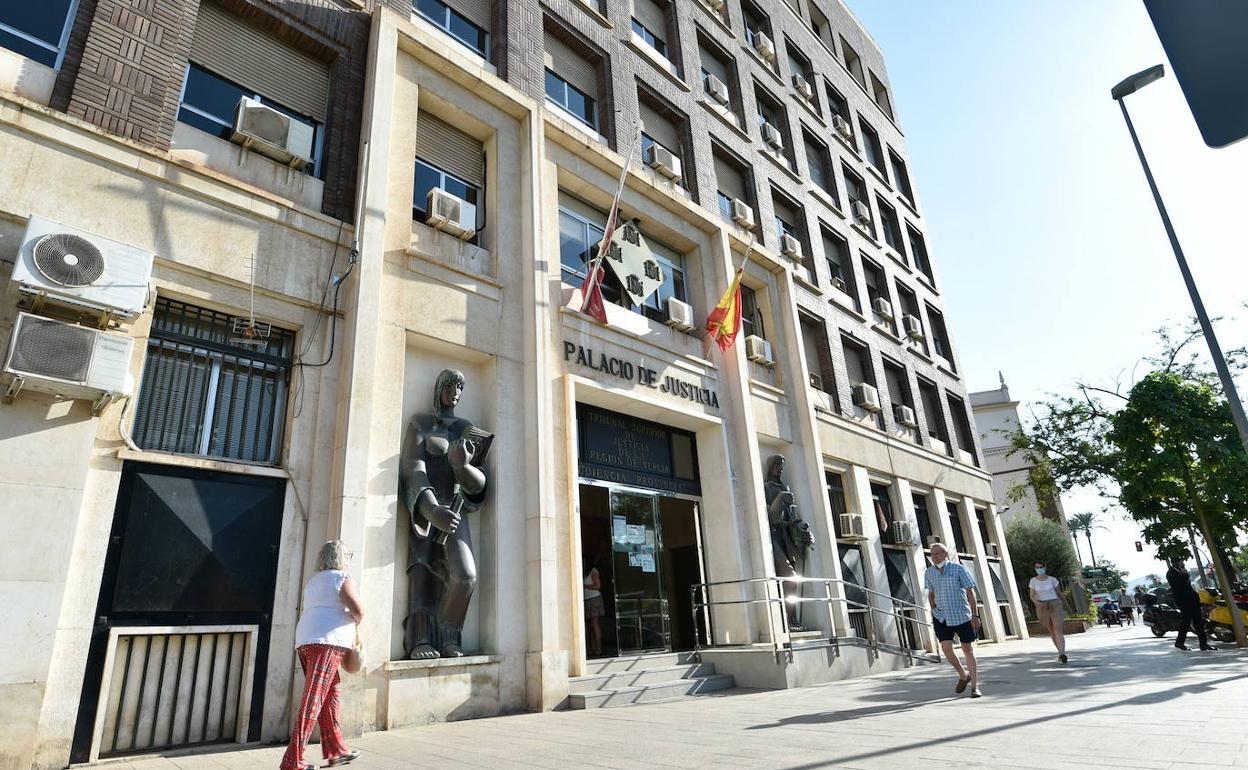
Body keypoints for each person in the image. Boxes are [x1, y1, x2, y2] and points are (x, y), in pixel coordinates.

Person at [282, 541, 364, 770]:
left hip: (306, 641)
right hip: (326, 643)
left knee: (330, 694)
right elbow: (358, 610)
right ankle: (293, 760)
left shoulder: (314, 581)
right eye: (348, 555)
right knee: (314, 699)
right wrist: (356, 622)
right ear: (340, 557)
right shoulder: (342, 578)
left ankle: (336, 751)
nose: (349, 559)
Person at [924, 542, 983, 698]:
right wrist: (933, 609)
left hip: (962, 615)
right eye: (932, 554)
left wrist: (975, 615)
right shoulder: (929, 572)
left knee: (967, 649)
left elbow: (970, 592)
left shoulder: (958, 569)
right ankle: (963, 675)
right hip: (941, 616)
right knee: (946, 648)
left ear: (945, 554)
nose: (934, 557)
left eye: (937, 553)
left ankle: (975, 687)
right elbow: (931, 593)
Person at [1166, 558, 1213, 651]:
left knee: (1198, 621)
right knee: (1186, 622)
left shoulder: (1181, 571)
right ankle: (1179, 642)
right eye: (1181, 562)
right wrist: (1185, 574)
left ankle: (1203, 644)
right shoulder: (1171, 573)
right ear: (1176, 563)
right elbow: (1179, 585)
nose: (1183, 563)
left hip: (1192, 600)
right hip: (1183, 601)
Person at [1028, 561, 1067, 663]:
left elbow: (1059, 592)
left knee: (1058, 627)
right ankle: (1060, 652)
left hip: (1055, 604)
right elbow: (1032, 595)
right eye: (1037, 567)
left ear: (1045, 567)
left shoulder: (1052, 579)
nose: (1039, 569)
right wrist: (1037, 603)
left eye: (1041, 567)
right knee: (1051, 630)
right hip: (1042, 606)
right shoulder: (1033, 581)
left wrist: (1065, 604)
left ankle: (1062, 653)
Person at [583, 552, 605, 657]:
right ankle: (593, 648)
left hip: (594, 599)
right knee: (590, 625)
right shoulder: (584, 573)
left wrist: (585, 586)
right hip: (587, 599)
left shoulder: (593, 571)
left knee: (594, 624)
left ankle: (598, 648)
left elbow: (598, 586)